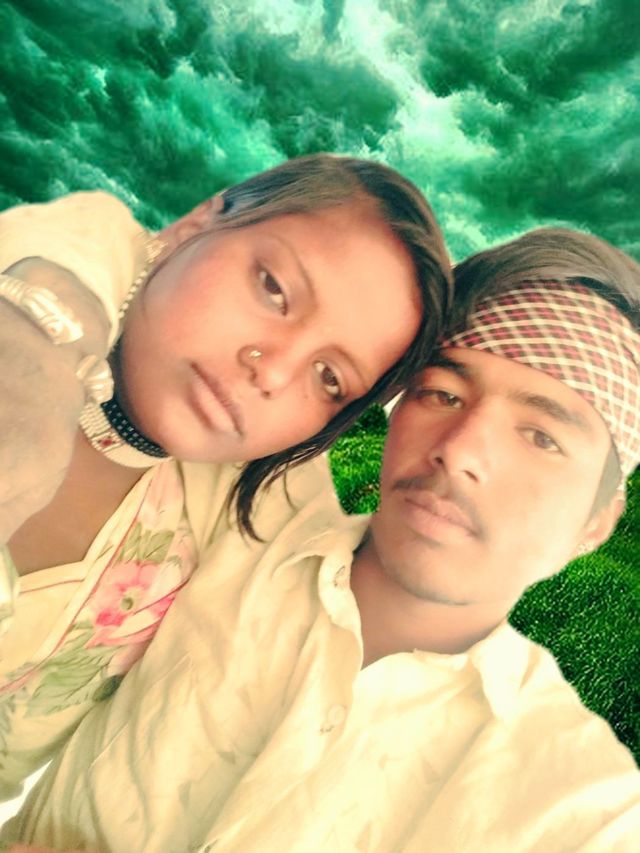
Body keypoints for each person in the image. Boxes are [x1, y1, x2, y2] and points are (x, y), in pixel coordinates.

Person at [4, 226, 638, 852]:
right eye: (442, 394)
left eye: (541, 437)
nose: (461, 449)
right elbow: (130, 244)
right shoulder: (248, 505)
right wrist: (37, 347)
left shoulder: (585, 809)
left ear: (597, 524)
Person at [0, 154, 452, 802]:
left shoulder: (231, 516)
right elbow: (79, 248)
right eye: (273, 288)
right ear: (193, 225)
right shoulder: (52, 276)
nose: (273, 371)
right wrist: (43, 326)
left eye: (329, 378)